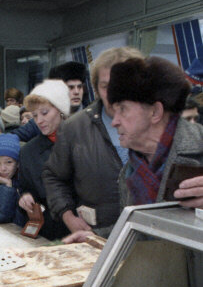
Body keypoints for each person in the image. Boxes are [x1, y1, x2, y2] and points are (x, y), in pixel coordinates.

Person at [43, 47, 143, 238]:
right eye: (106, 86)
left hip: (151, 240)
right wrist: (67, 215)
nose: (115, 93)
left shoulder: (157, 124)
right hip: (95, 237)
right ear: (96, 89)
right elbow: (54, 176)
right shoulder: (75, 128)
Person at [107, 56, 203, 208]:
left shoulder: (199, 146)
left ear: (155, 112)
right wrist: (91, 232)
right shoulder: (129, 171)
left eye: (123, 109)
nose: (114, 121)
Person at [18, 79, 70, 240]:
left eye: (45, 113)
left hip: (86, 228)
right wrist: (25, 198)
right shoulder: (28, 152)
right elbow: (25, 187)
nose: (39, 120)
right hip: (49, 232)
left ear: (60, 110)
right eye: (35, 115)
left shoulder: (83, 142)